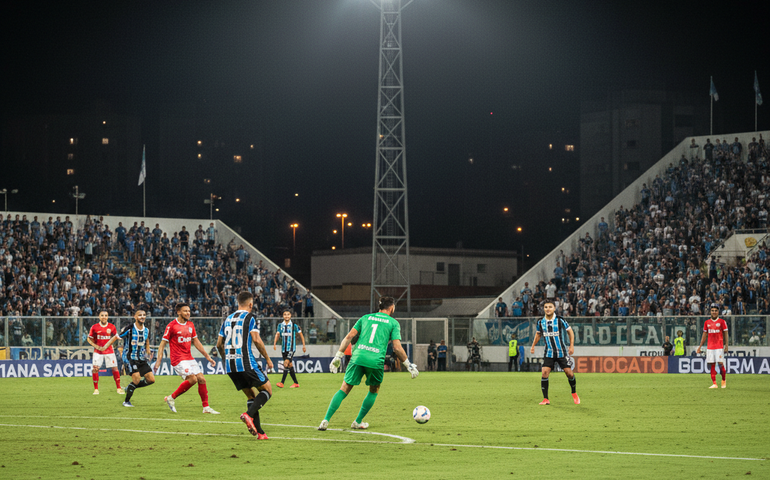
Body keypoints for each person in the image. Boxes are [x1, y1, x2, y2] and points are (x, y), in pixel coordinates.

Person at [318, 296, 418, 431]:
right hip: (375, 360)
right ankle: (357, 421)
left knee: (344, 388)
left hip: (358, 357)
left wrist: (338, 356)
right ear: (392, 307)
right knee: (374, 390)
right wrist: (408, 364)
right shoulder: (393, 323)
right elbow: (397, 348)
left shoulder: (365, 318)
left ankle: (325, 420)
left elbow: (349, 337)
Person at [216, 291, 274, 439]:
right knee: (267, 390)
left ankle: (260, 433)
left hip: (230, 365)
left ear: (237, 303)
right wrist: (267, 358)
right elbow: (256, 339)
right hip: (245, 361)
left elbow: (218, 344)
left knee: (250, 395)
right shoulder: (250, 317)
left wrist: (225, 360)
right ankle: (248, 415)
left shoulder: (227, 319)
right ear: (250, 304)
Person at [154, 303, 219, 414]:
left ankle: (206, 407)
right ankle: (171, 397)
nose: (188, 313)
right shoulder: (171, 326)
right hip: (178, 359)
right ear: (178, 312)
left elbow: (196, 342)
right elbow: (162, 343)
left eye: (189, 311)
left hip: (189, 357)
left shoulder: (190, 325)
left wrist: (207, 357)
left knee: (202, 379)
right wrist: (158, 360)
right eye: (185, 311)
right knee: (192, 379)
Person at [529, 300, 579, 405]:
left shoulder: (560, 320)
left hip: (562, 352)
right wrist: (533, 346)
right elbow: (538, 334)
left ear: (554, 308)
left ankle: (574, 393)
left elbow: (570, 331)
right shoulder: (540, 322)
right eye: (546, 307)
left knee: (569, 373)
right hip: (549, 352)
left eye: (550, 307)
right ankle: (545, 399)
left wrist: (571, 345)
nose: (548, 309)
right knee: (544, 373)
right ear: (544, 309)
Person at [119, 309, 155, 407]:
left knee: (151, 380)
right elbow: (118, 337)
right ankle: (126, 401)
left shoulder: (146, 330)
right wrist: (117, 348)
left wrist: (147, 348)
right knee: (136, 379)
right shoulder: (129, 328)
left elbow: (146, 338)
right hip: (130, 357)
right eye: (140, 315)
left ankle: (130, 387)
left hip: (141, 358)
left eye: (144, 315)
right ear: (135, 317)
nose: (142, 316)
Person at [87, 310, 124, 395]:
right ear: (99, 317)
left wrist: (113, 344)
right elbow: (89, 339)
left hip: (109, 351)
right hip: (98, 352)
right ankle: (96, 389)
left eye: (106, 315)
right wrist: (96, 346)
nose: (104, 317)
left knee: (115, 368)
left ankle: (118, 388)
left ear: (107, 317)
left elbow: (116, 337)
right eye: (102, 315)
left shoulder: (112, 327)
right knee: (95, 369)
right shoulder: (94, 327)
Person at [696, 304, 729, 388]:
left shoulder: (722, 322)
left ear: (718, 312)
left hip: (719, 347)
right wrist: (700, 346)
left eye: (716, 311)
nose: (714, 312)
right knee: (712, 365)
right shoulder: (707, 323)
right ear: (710, 312)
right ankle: (714, 383)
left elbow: (726, 334)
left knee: (721, 363)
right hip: (710, 347)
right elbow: (704, 335)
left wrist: (726, 345)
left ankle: (723, 380)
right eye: (712, 311)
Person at [272, 308, 306, 388]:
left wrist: (304, 345)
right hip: (283, 349)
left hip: (291, 348)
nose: (286, 316)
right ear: (283, 316)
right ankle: (296, 383)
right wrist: (274, 343)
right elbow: (277, 334)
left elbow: (301, 335)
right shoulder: (280, 325)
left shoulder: (294, 325)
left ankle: (282, 382)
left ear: (290, 315)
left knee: (286, 363)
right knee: (289, 365)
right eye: (285, 314)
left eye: (288, 314)